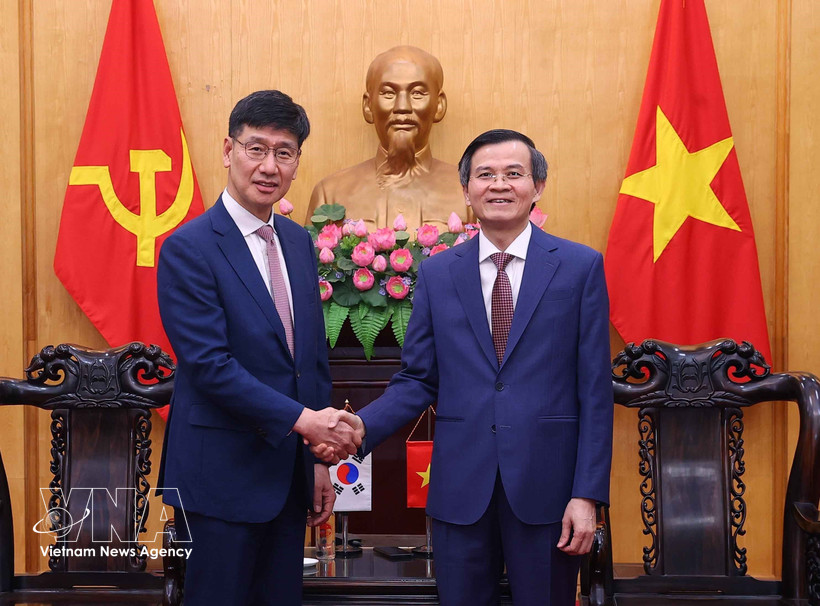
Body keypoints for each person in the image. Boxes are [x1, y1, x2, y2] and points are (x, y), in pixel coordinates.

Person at [322, 129, 613, 605]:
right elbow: (419, 378)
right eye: (486, 175)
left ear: (538, 186)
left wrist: (586, 496)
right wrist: (359, 427)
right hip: (461, 490)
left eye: (513, 174)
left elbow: (595, 393)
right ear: (467, 190)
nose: (499, 185)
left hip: (550, 492)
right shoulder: (439, 272)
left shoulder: (579, 268)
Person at [157, 90, 360, 606]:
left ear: (296, 163)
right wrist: (305, 423)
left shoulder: (297, 242)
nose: (269, 165)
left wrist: (317, 461)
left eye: (284, 152)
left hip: (288, 475)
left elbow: (309, 361)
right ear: (228, 150)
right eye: (256, 148)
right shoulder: (189, 247)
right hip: (219, 475)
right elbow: (209, 366)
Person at [307, 46, 472, 232]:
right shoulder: (330, 193)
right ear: (368, 106)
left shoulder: (469, 191)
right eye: (388, 93)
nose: (402, 107)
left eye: (417, 93)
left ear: (439, 105)